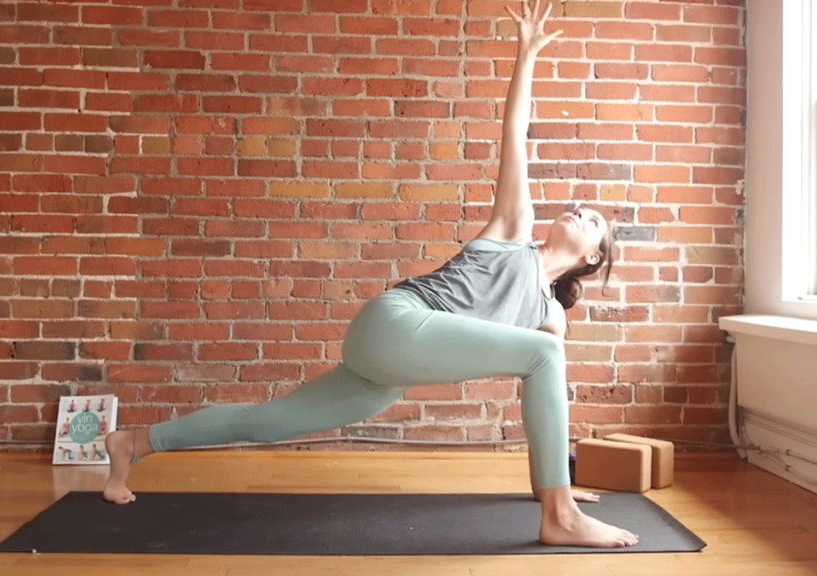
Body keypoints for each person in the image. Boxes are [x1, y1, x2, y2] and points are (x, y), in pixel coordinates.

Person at [101, 0, 637, 548]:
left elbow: (540, 400)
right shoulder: (512, 229)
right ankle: (561, 516)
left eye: (592, 220)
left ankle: (132, 443)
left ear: (593, 258)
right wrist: (525, 53)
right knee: (543, 356)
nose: (578, 211)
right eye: (579, 205)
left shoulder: (550, 317)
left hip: (387, 370)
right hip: (394, 323)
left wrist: (545, 481)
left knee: (269, 422)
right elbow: (514, 135)